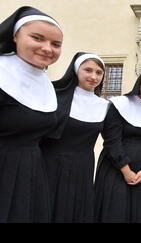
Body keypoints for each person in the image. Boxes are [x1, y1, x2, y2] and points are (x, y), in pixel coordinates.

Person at [0, 6, 63, 222]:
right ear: (16, 35)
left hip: (32, 172)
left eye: (56, 44)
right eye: (37, 38)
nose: (47, 48)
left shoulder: (44, 81)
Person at [40, 52, 109, 223]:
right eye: (88, 70)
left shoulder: (105, 106)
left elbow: (113, 139)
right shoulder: (55, 96)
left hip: (83, 167)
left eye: (99, 72)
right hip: (50, 163)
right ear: (77, 70)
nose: (94, 76)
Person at [94, 67, 141, 223]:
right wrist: (126, 170)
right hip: (115, 168)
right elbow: (112, 140)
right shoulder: (119, 104)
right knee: (115, 211)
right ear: (140, 81)